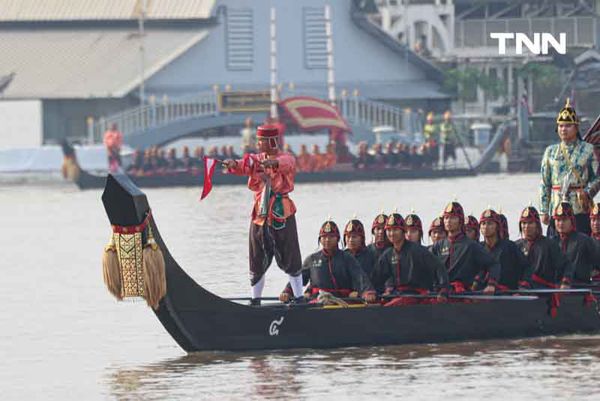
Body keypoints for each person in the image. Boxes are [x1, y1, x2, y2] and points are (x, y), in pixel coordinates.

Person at [224, 124, 304, 305]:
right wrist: (232, 164)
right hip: (260, 214)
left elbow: (287, 163)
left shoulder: (286, 158)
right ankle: (255, 299)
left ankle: (299, 297)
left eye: (262, 141)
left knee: (290, 252)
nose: (259, 144)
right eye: (258, 141)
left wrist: (273, 163)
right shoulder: (256, 159)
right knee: (256, 254)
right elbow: (243, 165)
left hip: (281, 212)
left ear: (272, 141)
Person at [539, 98, 600, 237]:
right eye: (560, 126)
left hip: (579, 208)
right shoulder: (550, 151)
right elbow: (544, 183)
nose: (563, 129)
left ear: (576, 127)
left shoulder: (588, 149)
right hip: (556, 208)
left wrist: (588, 192)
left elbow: (597, 178)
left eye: (567, 125)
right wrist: (543, 210)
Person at [280, 220, 376, 303]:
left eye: (331, 237)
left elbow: (359, 277)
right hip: (317, 301)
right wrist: (287, 291)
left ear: (337, 239)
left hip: (343, 302)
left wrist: (368, 292)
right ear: (320, 239)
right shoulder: (311, 259)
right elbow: (298, 278)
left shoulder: (347, 258)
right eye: (324, 237)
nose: (327, 240)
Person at [430, 201, 500, 293]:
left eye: (452, 218)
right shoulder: (438, 245)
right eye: (446, 218)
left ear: (460, 220)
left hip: (462, 295)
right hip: (440, 292)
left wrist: (491, 284)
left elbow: (494, 264)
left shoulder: (471, 246)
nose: (448, 221)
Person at [377, 213, 449, 301]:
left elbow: (438, 267)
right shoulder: (387, 254)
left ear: (403, 231)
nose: (391, 233)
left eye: (395, 229)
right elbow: (376, 276)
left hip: (417, 297)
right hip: (396, 295)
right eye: (389, 230)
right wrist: (370, 291)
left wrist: (443, 289)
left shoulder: (417, 250)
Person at [514, 206, 574, 289]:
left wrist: (565, 282)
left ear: (537, 225)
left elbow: (567, 265)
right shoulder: (516, 246)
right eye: (524, 223)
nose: (526, 226)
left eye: (530, 223)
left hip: (542, 290)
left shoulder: (549, 244)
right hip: (519, 289)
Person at [477, 208, 533, 290]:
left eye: (490, 223)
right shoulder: (478, 248)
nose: (486, 227)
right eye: (483, 224)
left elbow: (527, 268)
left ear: (497, 226)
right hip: (480, 295)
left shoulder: (509, 246)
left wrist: (523, 287)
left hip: (506, 295)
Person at [553, 201, 597, 284]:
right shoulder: (551, 243)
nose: (561, 223)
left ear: (572, 220)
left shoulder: (584, 241)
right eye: (558, 220)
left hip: (579, 289)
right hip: (556, 289)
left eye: (564, 220)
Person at [343, 218, 378, 284]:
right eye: (348, 237)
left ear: (362, 238)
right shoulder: (341, 256)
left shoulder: (371, 255)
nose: (351, 240)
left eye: (354, 237)